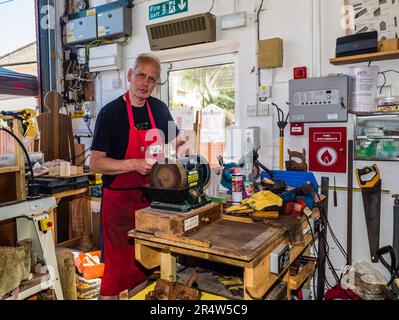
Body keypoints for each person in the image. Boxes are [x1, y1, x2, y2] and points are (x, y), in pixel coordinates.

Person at [90, 53, 180, 300]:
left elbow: (179, 144)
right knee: (115, 275)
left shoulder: (160, 109)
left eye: (152, 79)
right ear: (130, 75)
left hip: (150, 203)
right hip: (118, 206)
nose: (145, 83)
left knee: (144, 268)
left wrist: (174, 156)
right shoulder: (111, 113)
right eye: (141, 75)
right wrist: (133, 164)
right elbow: (95, 163)